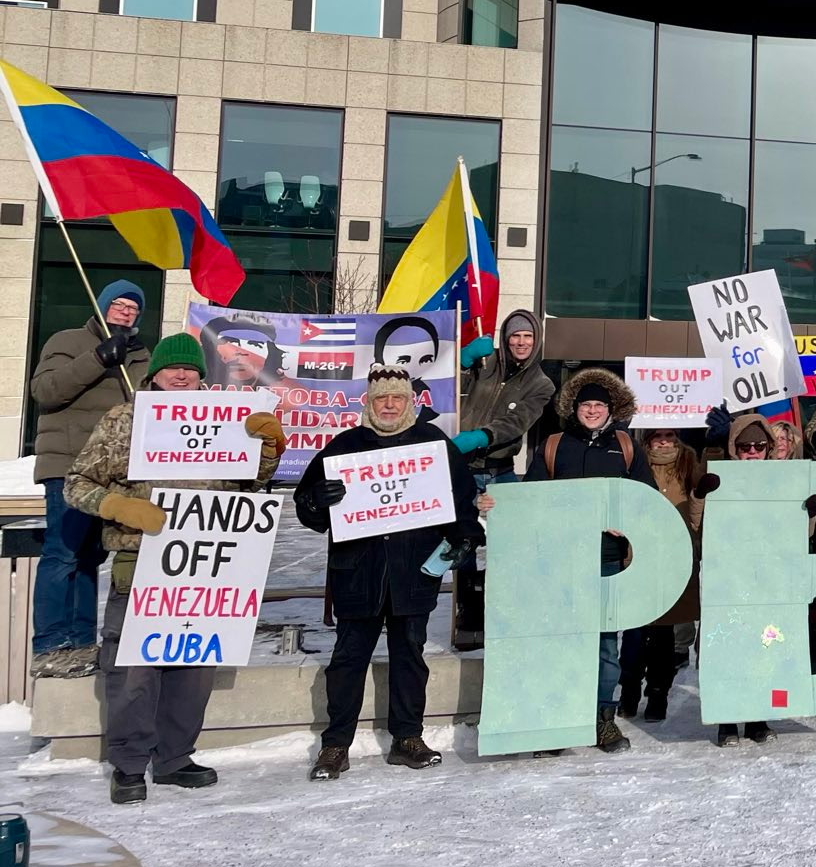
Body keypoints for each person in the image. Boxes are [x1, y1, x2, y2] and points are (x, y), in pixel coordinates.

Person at [65, 333, 282, 803]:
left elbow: (248, 485)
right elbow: (77, 483)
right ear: (155, 374)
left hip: (206, 567)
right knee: (135, 669)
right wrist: (117, 505)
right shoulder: (125, 420)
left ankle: (174, 758)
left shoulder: (227, 421)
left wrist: (266, 451)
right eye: (173, 368)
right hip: (141, 561)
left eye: (191, 369)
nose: (183, 375)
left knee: (194, 665)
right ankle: (129, 765)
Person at [296, 364, 482, 781]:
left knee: (410, 658)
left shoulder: (433, 443)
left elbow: (461, 498)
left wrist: (465, 535)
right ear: (369, 403)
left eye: (397, 398)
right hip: (357, 571)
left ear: (410, 402)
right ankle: (335, 744)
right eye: (382, 399)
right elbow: (306, 506)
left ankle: (407, 738)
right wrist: (317, 501)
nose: (390, 405)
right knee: (347, 659)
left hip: (413, 571)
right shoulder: (343, 446)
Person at [527, 368, 657, 754]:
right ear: (575, 408)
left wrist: (627, 522)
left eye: (600, 405)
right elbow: (531, 498)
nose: (593, 411)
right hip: (561, 562)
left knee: (604, 644)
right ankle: (559, 721)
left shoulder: (626, 446)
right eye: (587, 405)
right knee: (561, 640)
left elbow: (645, 499)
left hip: (606, 561)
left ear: (611, 409)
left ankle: (604, 720)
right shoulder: (554, 445)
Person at [29, 279, 153, 677]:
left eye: (132, 308)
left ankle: (82, 641)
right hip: (68, 466)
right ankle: (50, 643)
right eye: (118, 304)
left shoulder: (140, 354)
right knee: (62, 552)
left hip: (113, 474)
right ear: (101, 305)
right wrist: (98, 358)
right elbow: (46, 391)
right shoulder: (67, 341)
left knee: (89, 559)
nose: (125, 312)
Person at [447, 308, 554, 652]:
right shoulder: (484, 363)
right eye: (515, 335)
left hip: (500, 473)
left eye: (528, 337)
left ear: (536, 341)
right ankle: (468, 612)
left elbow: (517, 422)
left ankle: (505, 610)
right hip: (461, 472)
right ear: (506, 338)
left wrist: (481, 436)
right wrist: (461, 362)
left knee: (510, 547)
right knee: (462, 545)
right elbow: (446, 388)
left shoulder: (541, 384)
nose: (521, 342)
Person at [618, 425, 706, 722]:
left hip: (675, 555)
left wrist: (716, 444)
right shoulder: (633, 460)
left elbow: (703, 492)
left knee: (664, 635)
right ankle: (629, 689)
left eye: (669, 436)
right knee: (633, 632)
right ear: (648, 439)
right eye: (658, 436)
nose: (665, 441)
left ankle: (658, 694)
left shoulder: (689, 461)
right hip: (639, 554)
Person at [712, 410, 782, 744]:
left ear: (769, 448)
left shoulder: (783, 481)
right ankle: (727, 719)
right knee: (728, 647)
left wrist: (809, 512)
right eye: (744, 448)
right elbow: (699, 524)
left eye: (758, 446)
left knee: (763, 646)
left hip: (767, 578)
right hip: (728, 577)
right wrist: (701, 495)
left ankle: (757, 718)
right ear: (733, 450)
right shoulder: (719, 476)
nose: (752, 453)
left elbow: (796, 533)